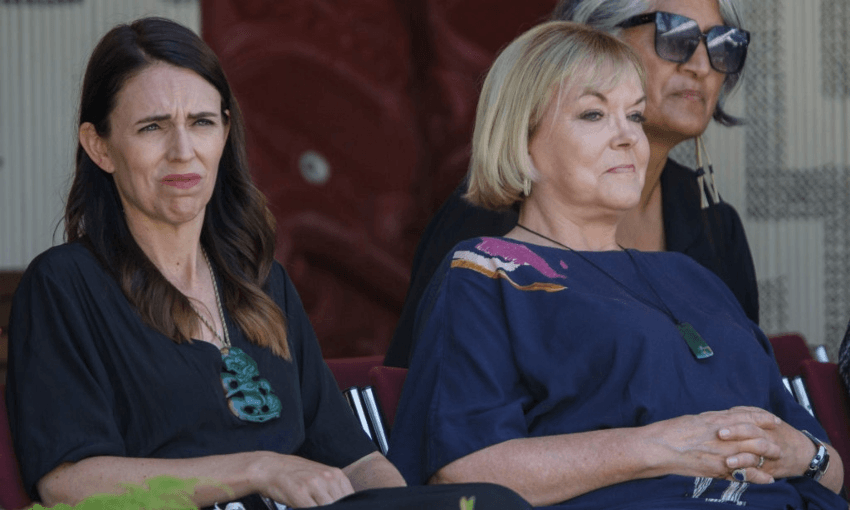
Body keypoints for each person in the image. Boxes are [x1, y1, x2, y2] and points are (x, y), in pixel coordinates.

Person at [3, 17, 531, 510]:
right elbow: (67, 480)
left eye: (202, 122)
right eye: (152, 127)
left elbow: (357, 458)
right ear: (100, 147)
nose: (183, 150)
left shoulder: (260, 282)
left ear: (225, 133)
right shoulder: (65, 285)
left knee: (492, 502)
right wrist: (258, 468)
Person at [386, 20, 847, 509]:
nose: (628, 137)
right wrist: (658, 448)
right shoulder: (488, 273)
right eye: (593, 114)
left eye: (635, 116)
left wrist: (808, 455)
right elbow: (464, 471)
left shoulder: (695, 278)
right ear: (521, 139)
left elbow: (831, 470)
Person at [384, 0, 759, 368]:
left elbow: (748, 379)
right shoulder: (486, 224)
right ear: (598, 38)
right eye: (677, 35)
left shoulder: (717, 229)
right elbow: (429, 402)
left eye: (723, 43)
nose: (701, 64)